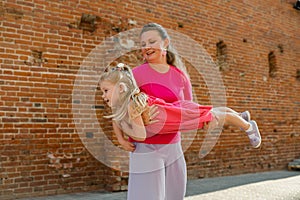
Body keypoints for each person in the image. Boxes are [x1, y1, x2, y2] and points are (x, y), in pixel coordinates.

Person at [100, 61, 262, 199]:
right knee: (209, 110)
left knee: (213, 115)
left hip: (175, 119)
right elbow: (116, 118)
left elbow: (141, 135)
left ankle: (248, 126)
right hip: (173, 110)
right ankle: (240, 116)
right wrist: (121, 139)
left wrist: (125, 129)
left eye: (106, 90)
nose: (103, 95)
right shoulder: (123, 104)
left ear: (121, 88)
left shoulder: (132, 105)